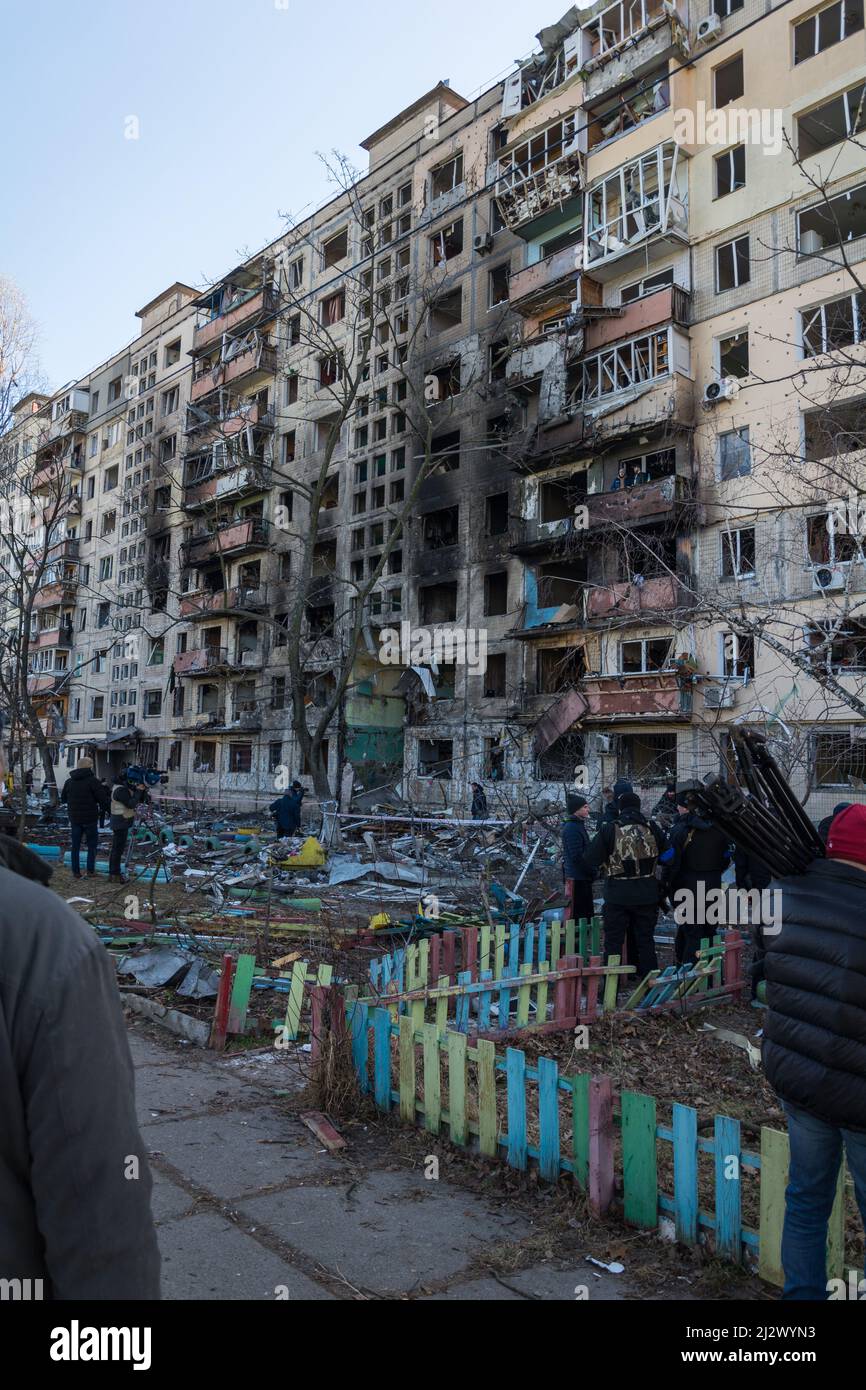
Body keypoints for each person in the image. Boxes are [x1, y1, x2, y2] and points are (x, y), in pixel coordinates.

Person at [0, 745, 160, 1297]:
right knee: (100, 848)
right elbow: (96, 1191)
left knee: (87, 850)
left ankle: (90, 869)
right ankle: (99, 870)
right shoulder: (37, 935)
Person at [763, 804, 866, 1301]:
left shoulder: (785, 894)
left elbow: (773, 974)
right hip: (859, 1093)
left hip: (800, 1079)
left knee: (806, 1199)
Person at [582, 792, 665, 980]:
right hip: (647, 894)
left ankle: (612, 988)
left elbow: (590, 859)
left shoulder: (609, 829)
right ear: (639, 807)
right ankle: (649, 985)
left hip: (617, 895)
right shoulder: (652, 828)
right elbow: (669, 857)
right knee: (645, 941)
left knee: (613, 943)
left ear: (620, 808)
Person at [661, 788, 732, 967]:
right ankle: (711, 972)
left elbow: (670, 861)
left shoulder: (679, 830)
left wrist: (667, 886)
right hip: (713, 885)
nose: (677, 809)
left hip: (687, 886)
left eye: (679, 805)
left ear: (685, 808)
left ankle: (689, 973)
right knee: (709, 929)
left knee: (691, 931)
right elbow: (726, 859)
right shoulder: (720, 829)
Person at [60, 757, 109, 879]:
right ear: (90, 767)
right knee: (92, 846)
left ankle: (76, 872)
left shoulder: (69, 782)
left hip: (75, 818)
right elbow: (102, 799)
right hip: (90, 819)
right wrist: (109, 811)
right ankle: (90, 871)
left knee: (75, 846)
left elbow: (63, 799)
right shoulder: (93, 781)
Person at [562, 795, 594, 925]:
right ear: (576, 810)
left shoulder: (577, 826)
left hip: (581, 878)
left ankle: (579, 944)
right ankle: (573, 944)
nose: (588, 809)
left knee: (584, 917)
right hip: (577, 880)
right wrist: (592, 871)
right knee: (577, 917)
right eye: (585, 807)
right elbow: (577, 857)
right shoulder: (572, 828)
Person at [108, 771, 142, 883]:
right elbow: (131, 804)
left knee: (116, 849)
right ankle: (115, 874)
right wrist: (138, 791)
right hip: (121, 821)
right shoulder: (121, 790)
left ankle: (114, 873)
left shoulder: (117, 788)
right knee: (117, 849)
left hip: (119, 820)